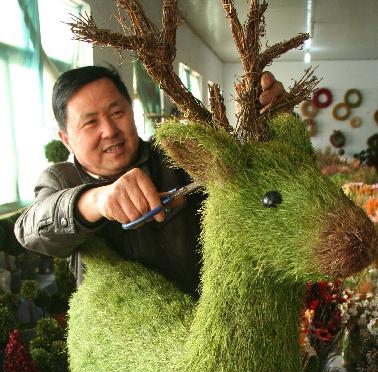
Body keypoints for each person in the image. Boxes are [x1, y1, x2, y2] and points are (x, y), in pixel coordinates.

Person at [14, 65, 286, 298]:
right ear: (66, 138)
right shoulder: (60, 179)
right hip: (125, 351)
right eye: (90, 123)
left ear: (131, 111)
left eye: (116, 113)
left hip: (207, 322)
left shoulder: (175, 154)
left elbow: (250, 175)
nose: (109, 130)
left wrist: (265, 123)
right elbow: (29, 230)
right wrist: (98, 200)